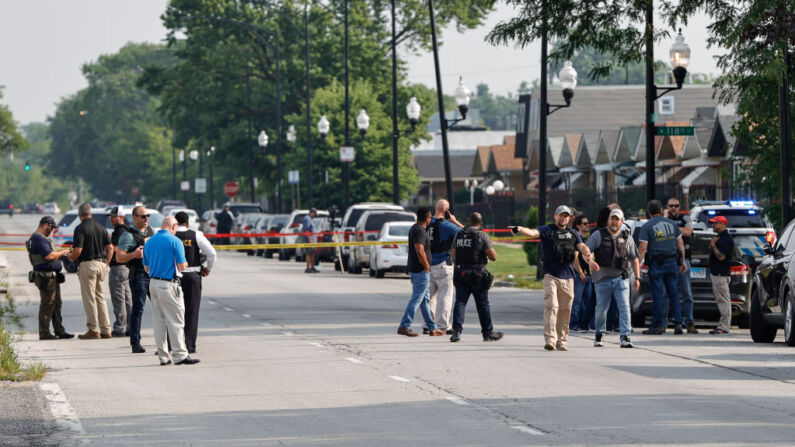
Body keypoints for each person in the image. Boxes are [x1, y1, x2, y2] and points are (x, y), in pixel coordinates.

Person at [511, 205, 599, 351]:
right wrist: (520, 229)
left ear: (569, 218)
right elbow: (533, 233)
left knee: (565, 309)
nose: (563, 218)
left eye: (566, 216)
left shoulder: (573, 233)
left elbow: (582, 246)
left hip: (568, 277)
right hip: (551, 275)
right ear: (555, 216)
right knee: (552, 306)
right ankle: (550, 339)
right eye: (561, 215)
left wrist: (588, 256)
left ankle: (562, 340)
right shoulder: (547, 230)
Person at [143, 216, 199, 366]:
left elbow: (146, 268)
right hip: (168, 284)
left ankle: (163, 356)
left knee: (159, 322)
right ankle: (180, 355)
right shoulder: (175, 241)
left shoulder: (150, 242)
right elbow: (182, 266)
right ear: (173, 226)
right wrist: (186, 262)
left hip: (153, 283)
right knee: (176, 320)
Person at [588, 209, 641, 348]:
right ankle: (599, 334)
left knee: (624, 307)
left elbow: (635, 259)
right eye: (612, 218)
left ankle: (625, 337)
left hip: (621, 278)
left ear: (622, 222)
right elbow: (586, 252)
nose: (614, 221)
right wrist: (590, 261)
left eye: (617, 219)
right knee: (601, 309)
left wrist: (637, 278)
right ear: (608, 220)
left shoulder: (627, 237)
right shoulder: (598, 235)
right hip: (602, 279)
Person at [449, 212, 502, 342]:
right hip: (477, 275)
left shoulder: (459, 234)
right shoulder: (482, 236)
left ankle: (456, 332)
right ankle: (488, 333)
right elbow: (493, 257)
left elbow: (454, 252)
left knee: (460, 302)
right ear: (481, 222)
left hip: (460, 273)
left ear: (468, 221)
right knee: (483, 304)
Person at [637, 200, 688, 334]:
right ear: (661, 210)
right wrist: (682, 261)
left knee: (658, 295)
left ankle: (658, 325)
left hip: (657, 264)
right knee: (674, 294)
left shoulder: (647, 226)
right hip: (672, 263)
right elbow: (681, 243)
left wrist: (636, 264)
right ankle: (678, 324)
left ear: (649, 212)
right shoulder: (672, 224)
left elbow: (643, 248)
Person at [67, 203, 113, 340]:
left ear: (80, 215)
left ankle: (93, 329)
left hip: (88, 265)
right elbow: (110, 248)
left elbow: (78, 250)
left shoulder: (80, 229)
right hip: (101, 264)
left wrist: (71, 257)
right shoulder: (101, 228)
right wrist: (107, 264)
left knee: (89, 298)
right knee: (100, 297)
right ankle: (106, 329)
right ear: (91, 213)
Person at [397, 207, 444, 337]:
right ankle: (404, 326)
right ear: (427, 218)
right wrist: (427, 265)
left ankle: (432, 328)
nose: (431, 219)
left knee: (425, 301)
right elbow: (419, 250)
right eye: (430, 217)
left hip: (418, 270)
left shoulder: (416, 228)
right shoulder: (419, 230)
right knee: (417, 299)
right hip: (420, 270)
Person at [25, 216, 74, 340]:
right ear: (46, 225)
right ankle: (44, 332)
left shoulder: (39, 238)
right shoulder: (38, 238)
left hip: (51, 276)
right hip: (45, 277)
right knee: (47, 304)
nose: (52, 231)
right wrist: (63, 252)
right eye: (51, 228)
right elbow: (49, 256)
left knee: (56, 303)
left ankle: (59, 330)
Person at [175, 211, 216, 354]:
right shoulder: (195, 235)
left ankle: (173, 344)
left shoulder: (170, 235)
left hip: (173, 277)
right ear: (187, 223)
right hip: (193, 276)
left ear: (175, 222)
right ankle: (189, 345)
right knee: (191, 312)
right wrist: (208, 269)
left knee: (174, 312)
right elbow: (211, 253)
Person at [116, 205, 154, 353]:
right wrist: (133, 255)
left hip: (153, 274)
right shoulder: (128, 235)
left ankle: (165, 341)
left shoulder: (151, 231)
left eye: (148, 216)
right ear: (135, 218)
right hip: (138, 275)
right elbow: (119, 257)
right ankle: (135, 342)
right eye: (143, 216)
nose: (146, 219)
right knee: (138, 309)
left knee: (160, 308)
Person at [425, 199, 463, 334]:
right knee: (444, 296)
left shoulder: (426, 223)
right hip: (442, 264)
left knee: (429, 297)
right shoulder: (447, 226)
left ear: (435, 207)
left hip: (427, 264)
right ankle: (442, 326)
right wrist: (454, 221)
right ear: (447, 211)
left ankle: (428, 324)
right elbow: (467, 233)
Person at [666, 197, 698, 334]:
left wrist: (672, 227)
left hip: (684, 260)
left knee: (687, 293)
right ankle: (670, 321)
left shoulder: (685, 218)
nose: (673, 208)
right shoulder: (664, 219)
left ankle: (689, 321)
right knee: (668, 293)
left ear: (679, 207)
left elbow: (689, 231)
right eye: (671, 206)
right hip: (668, 260)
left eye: (676, 206)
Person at [707, 215, 735, 335]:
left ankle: (724, 326)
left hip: (720, 274)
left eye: (715, 223)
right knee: (721, 299)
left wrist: (713, 246)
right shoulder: (720, 238)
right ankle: (723, 324)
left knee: (723, 300)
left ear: (723, 224)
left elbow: (721, 256)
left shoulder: (724, 239)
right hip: (718, 273)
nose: (713, 225)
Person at [108, 207, 132, 337]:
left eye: (113, 216)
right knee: (127, 299)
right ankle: (130, 325)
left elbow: (116, 248)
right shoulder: (127, 229)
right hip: (126, 268)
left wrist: (106, 250)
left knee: (119, 299)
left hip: (118, 267)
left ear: (121, 217)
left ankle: (119, 327)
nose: (111, 219)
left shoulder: (120, 231)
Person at [570, 214, 594, 332]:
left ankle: (584, 324)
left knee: (588, 301)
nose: (587, 225)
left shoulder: (586, 240)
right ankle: (574, 324)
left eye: (588, 223)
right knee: (577, 301)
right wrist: (580, 273)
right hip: (579, 275)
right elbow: (575, 258)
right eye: (585, 224)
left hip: (588, 275)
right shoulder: (576, 239)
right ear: (578, 225)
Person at [302, 208, 318, 273]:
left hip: (312, 240)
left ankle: (312, 267)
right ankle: (308, 268)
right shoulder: (307, 219)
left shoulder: (309, 219)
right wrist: (310, 240)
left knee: (312, 254)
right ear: (311, 213)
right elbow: (307, 229)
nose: (314, 216)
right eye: (314, 214)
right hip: (309, 240)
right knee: (309, 254)